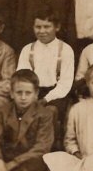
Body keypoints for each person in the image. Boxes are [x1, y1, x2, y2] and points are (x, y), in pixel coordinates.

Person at [16, 10, 75, 150]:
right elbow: (22, 77)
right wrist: (31, 98)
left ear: (57, 27)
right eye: (38, 27)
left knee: (50, 111)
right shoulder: (27, 49)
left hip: (56, 93)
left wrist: (45, 100)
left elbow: (65, 84)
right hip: (32, 92)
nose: (42, 31)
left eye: (47, 27)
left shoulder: (65, 50)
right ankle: (24, 145)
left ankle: (49, 148)